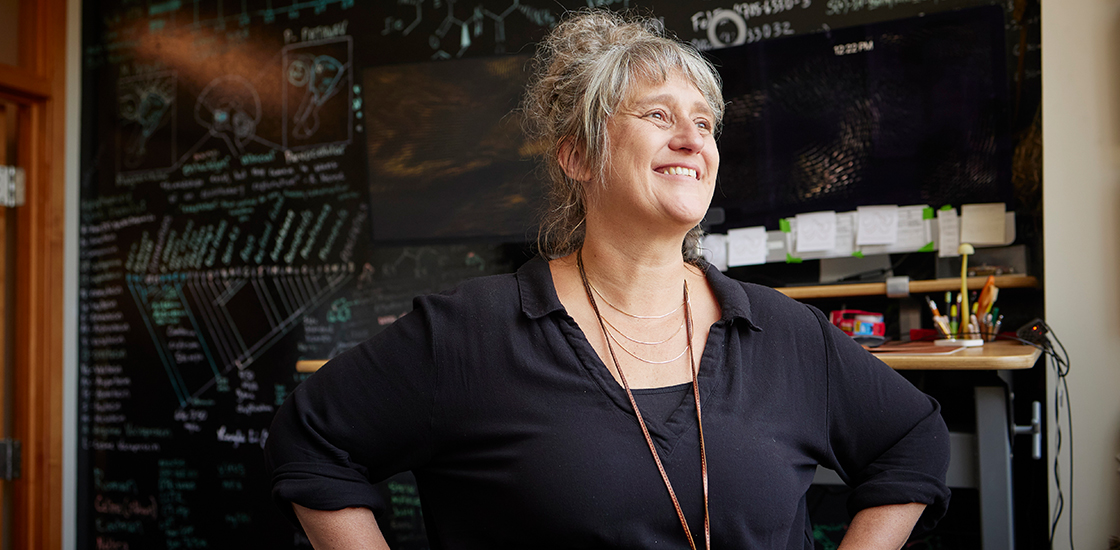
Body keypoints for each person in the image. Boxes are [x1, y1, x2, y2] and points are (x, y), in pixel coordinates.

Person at [265, 9, 950, 549]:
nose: (692, 138)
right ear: (577, 154)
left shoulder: (785, 332)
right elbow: (311, 440)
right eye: (658, 115)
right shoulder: (467, 334)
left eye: (705, 122)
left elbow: (912, 439)